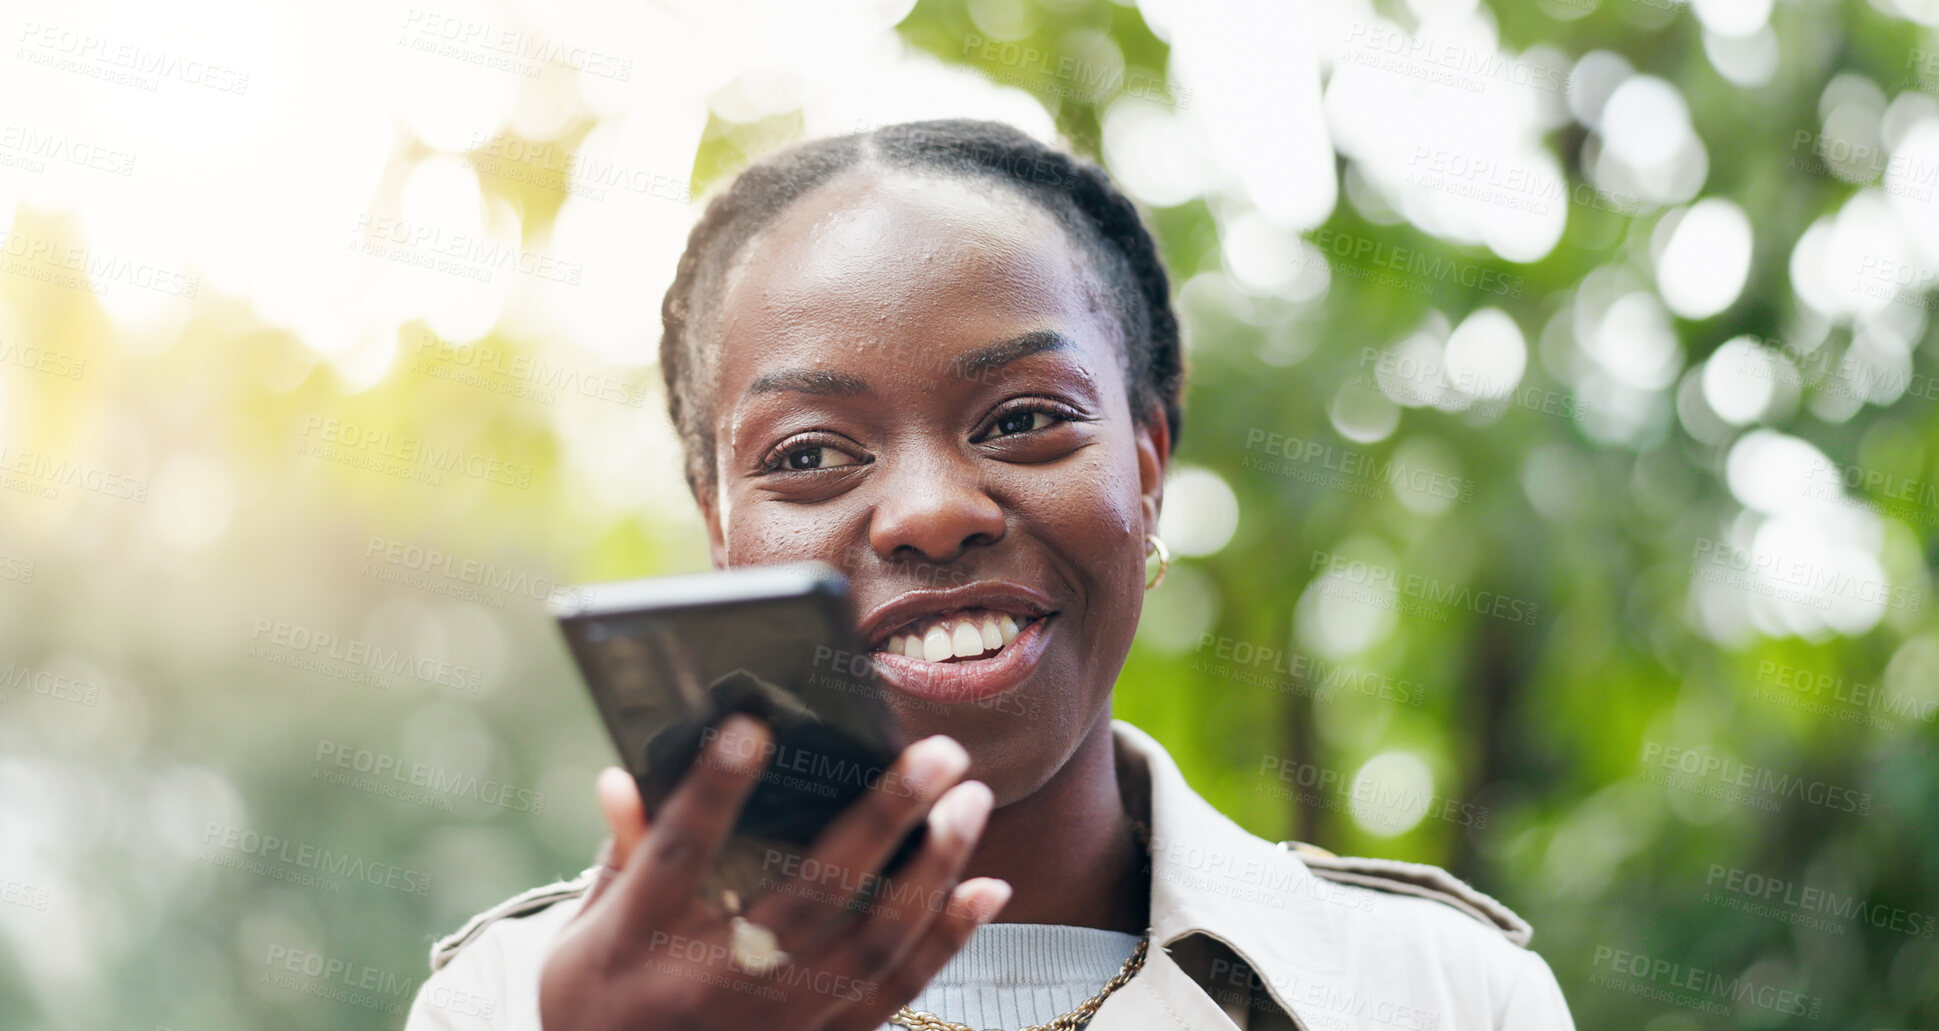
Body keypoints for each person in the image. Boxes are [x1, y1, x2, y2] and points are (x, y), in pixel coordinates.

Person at [402, 119, 1576, 1031]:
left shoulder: (1443, 991)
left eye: (1022, 419)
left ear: (1148, 468)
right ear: (718, 524)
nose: (931, 512)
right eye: (807, 453)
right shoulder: (510, 1000)